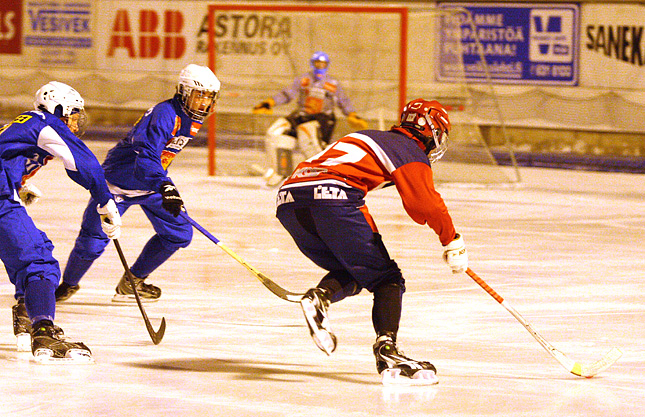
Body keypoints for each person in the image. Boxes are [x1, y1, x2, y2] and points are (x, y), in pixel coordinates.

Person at [275, 98, 468, 385]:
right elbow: (424, 205)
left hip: (288, 200)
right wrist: (452, 240)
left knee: (356, 271)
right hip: (334, 196)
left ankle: (319, 298)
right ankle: (388, 352)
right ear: (431, 131)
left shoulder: (370, 137)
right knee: (387, 279)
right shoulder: (408, 149)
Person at [56, 64, 220, 303]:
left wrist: (162, 184)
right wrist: (165, 186)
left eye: (209, 97)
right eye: (199, 95)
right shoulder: (165, 115)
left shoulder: (194, 118)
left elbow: (160, 158)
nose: (204, 103)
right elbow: (147, 156)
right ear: (184, 92)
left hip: (151, 182)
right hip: (117, 184)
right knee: (91, 244)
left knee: (179, 234)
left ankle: (133, 282)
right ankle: (67, 284)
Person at [1, 81, 121, 362]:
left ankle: (28, 311)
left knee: (30, 253)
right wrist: (105, 202)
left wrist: (16, 186)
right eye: (74, 114)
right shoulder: (45, 122)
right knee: (38, 262)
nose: (76, 124)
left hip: (5, 194)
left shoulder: (25, 123)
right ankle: (44, 331)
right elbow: (83, 163)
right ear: (59, 109)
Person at [252, 51, 369, 186]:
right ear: (312, 64)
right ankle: (280, 172)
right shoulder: (304, 79)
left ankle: (323, 177)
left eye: (323, 63)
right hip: (301, 115)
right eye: (317, 63)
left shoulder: (333, 83)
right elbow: (287, 93)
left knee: (309, 141)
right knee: (275, 132)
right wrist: (269, 103)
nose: (320, 66)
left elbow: (343, 100)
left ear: (327, 65)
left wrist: (351, 114)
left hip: (322, 118)